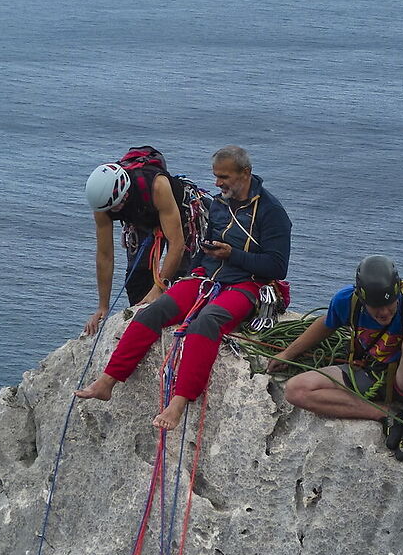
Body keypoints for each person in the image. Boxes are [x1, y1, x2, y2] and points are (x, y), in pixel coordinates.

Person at [75, 147, 291, 431]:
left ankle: (178, 403)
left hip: (249, 284)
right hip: (208, 277)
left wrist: (232, 256)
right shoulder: (219, 205)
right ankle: (108, 381)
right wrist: (196, 272)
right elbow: (206, 244)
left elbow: (277, 268)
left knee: (206, 323)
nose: (217, 184)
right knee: (153, 312)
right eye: (216, 177)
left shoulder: (271, 213)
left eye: (223, 177)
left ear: (245, 173)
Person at [270, 256, 403, 460]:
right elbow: (327, 323)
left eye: (389, 303)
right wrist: (288, 354)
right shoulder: (347, 300)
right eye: (375, 306)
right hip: (371, 372)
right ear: (362, 298)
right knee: (296, 390)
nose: (383, 312)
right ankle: (386, 413)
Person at [83, 147, 206, 337]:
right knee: (137, 280)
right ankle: (142, 326)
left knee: (182, 277)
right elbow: (105, 255)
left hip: (177, 213)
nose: (113, 211)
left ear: (123, 195)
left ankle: (182, 327)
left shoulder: (157, 186)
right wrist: (103, 306)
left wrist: (159, 287)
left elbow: (177, 244)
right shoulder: (103, 204)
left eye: (116, 207)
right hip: (142, 218)